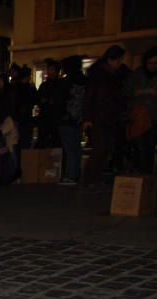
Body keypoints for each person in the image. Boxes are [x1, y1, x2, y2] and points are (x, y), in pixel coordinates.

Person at [82, 45, 126, 190]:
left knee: (106, 149)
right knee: (99, 149)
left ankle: (95, 178)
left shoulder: (115, 75)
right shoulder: (98, 75)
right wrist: (87, 118)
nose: (119, 63)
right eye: (118, 60)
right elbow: (89, 97)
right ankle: (88, 180)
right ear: (110, 59)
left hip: (110, 117)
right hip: (98, 117)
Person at [127, 46, 157, 175]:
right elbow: (127, 92)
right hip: (139, 117)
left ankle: (147, 177)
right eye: (150, 63)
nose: (153, 66)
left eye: (156, 63)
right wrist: (144, 92)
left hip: (154, 118)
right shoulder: (137, 75)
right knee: (140, 149)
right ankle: (140, 175)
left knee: (149, 148)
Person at [57, 55, 86, 185]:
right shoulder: (84, 80)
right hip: (79, 118)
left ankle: (70, 175)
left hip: (66, 119)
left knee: (69, 149)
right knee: (76, 148)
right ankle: (75, 173)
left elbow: (60, 101)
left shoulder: (66, 82)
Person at [36, 59, 63, 149]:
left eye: (51, 69)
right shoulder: (44, 85)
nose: (49, 72)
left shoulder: (61, 85)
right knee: (43, 143)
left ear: (57, 71)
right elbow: (38, 99)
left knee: (57, 144)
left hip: (57, 119)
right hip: (44, 119)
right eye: (48, 69)